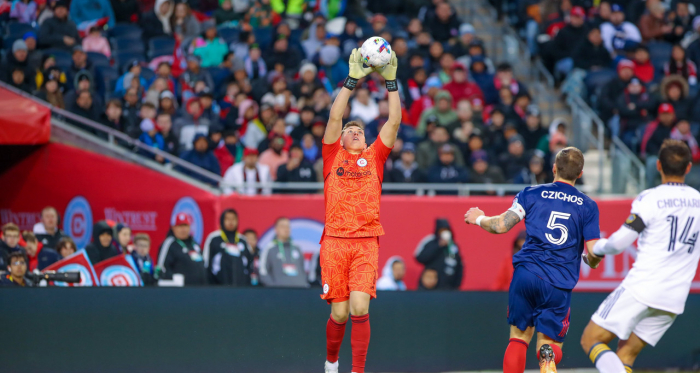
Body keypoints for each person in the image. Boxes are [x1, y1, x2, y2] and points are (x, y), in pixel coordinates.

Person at [464, 147, 601, 373]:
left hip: (526, 274)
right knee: (549, 343)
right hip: (558, 282)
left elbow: (501, 225)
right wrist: (592, 261)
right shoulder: (588, 206)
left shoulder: (531, 193)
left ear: (554, 168)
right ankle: (547, 358)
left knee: (518, 338)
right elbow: (594, 252)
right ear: (580, 173)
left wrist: (479, 218)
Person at [581, 140, 700, 373]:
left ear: (657, 166)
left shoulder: (651, 199)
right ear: (688, 167)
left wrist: (597, 248)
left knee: (590, 339)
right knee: (626, 354)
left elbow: (618, 244)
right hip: (674, 297)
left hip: (643, 287)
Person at [320, 49, 401, 373]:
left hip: (366, 240)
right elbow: (334, 118)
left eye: (361, 130)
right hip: (335, 242)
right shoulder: (332, 157)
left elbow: (393, 120)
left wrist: (391, 82)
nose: (355, 131)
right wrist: (352, 81)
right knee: (338, 314)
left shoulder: (375, 158)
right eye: (350, 130)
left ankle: (357, 371)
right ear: (339, 140)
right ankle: (330, 362)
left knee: (358, 307)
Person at [202, 209, 253, 286]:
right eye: (228, 219)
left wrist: (246, 282)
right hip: (219, 287)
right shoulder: (214, 238)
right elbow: (206, 263)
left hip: (241, 288)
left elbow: (249, 264)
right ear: (222, 220)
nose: (231, 222)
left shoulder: (243, 240)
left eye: (233, 219)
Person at [156, 213, 206, 286]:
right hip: (180, 291)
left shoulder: (194, 244)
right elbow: (161, 268)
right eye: (180, 226)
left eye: (185, 226)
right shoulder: (169, 244)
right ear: (173, 228)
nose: (183, 229)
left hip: (199, 289)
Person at [259, 217, 309, 288]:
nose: (286, 229)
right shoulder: (269, 248)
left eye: (288, 226)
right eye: (282, 226)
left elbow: (303, 270)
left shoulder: (297, 248)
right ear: (276, 230)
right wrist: (274, 287)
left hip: (300, 290)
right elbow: (263, 272)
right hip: (279, 293)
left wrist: (303, 282)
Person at [415, 218, 464, 289]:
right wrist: (438, 245)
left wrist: (456, 286)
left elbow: (459, 266)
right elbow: (420, 257)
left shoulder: (454, 246)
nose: (445, 232)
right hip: (429, 286)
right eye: (442, 230)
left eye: (446, 230)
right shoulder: (431, 241)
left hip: (448, 288)